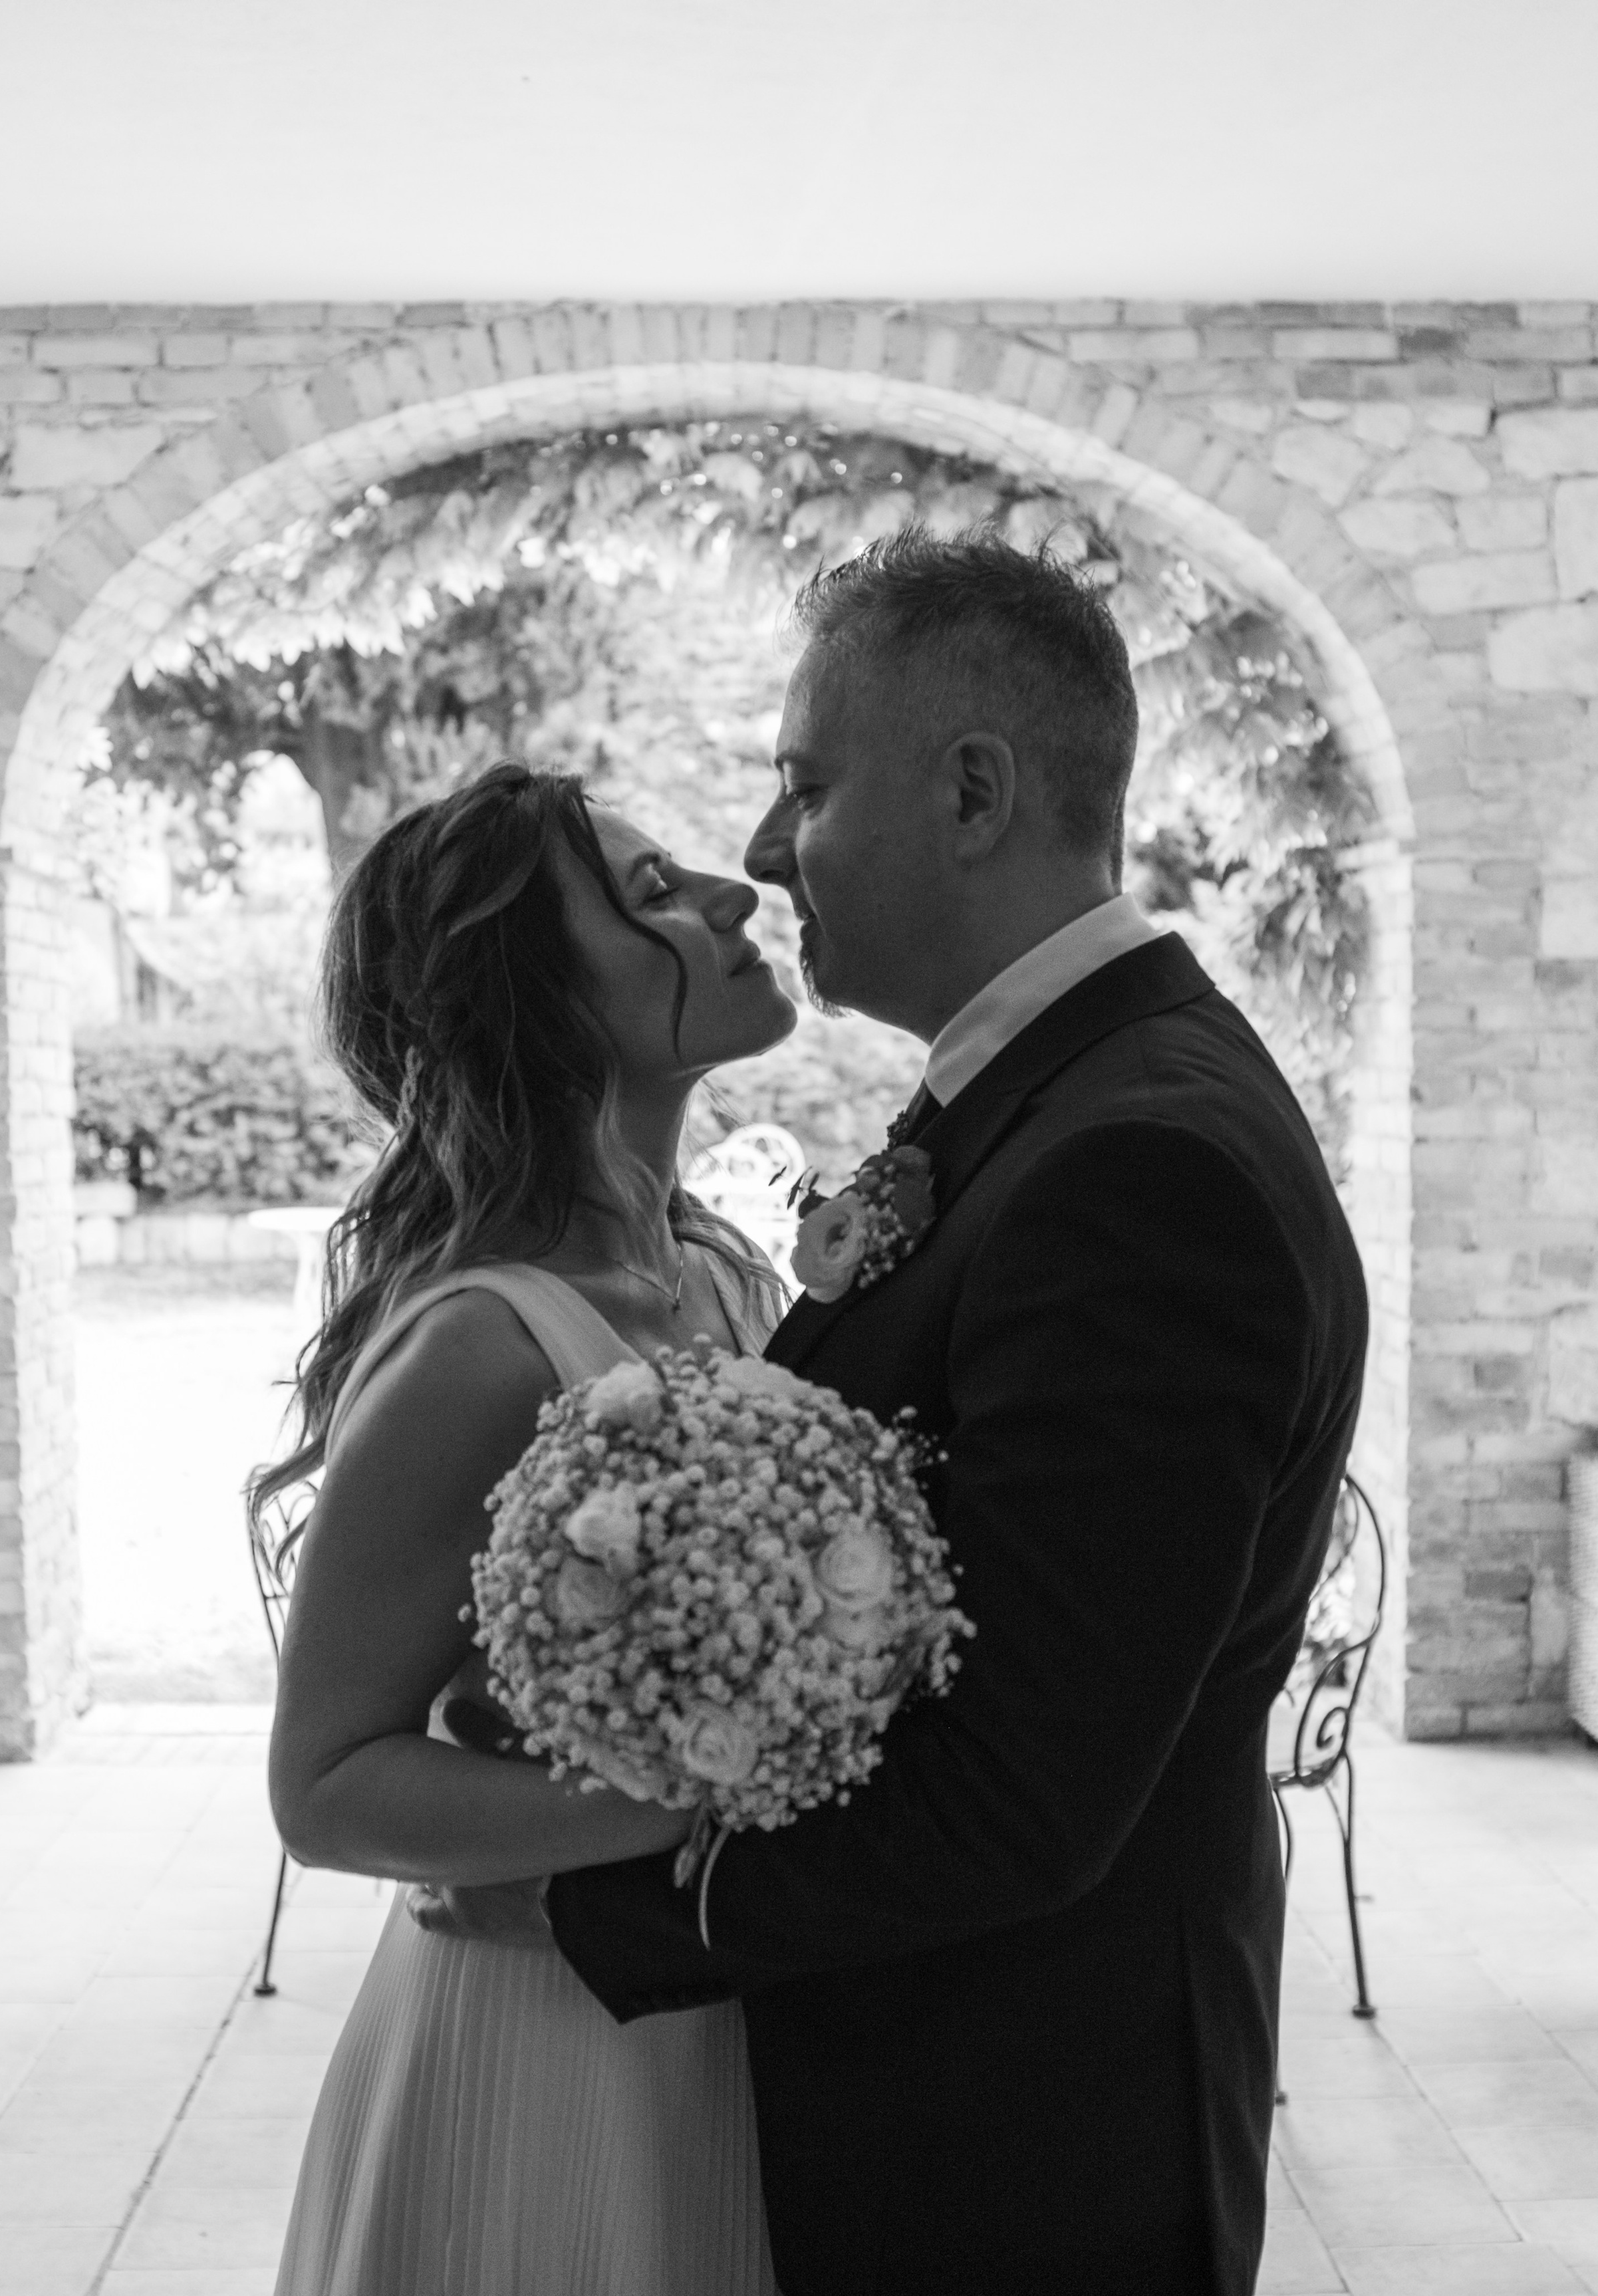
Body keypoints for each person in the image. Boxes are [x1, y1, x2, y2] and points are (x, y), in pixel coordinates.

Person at [546, 529, 1371, 2296]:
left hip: (1016, 2147)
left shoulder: (1137, 1163)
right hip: (969, 2102)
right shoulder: (1060, 1094)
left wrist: (582, 1908)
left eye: (805, 782)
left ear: (977, 789)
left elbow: (1026, 1793)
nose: (768, 851)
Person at [258, 762, 795, 2296]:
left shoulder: (720, 1274)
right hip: (543, 2045)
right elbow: (325, 1786)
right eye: (648, 895)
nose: (733, 893)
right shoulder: (481, 1345)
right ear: (535, 1003)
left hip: (727, 2015)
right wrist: (686, 1799)